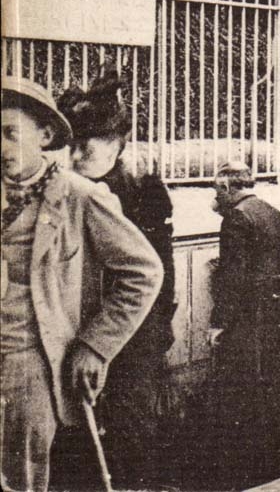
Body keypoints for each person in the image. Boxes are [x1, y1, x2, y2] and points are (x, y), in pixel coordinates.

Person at [1, 76, 163, 492]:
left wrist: (95, 346)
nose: (0, 148)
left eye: (9, 133)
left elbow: (144, 272)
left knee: (23, 479)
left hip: (28, 365)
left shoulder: (79, 196)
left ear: (45, 135)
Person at [53, 73, 177, 488]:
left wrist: (131, 341)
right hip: (74, 334)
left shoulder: (141, 192)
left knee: (128, 436)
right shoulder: (65, 191)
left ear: (115, 143)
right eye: (70, 146)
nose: (75, 157)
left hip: (131, 337)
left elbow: (156, 274)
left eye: (87, 146)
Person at [201, 162, 280, 488]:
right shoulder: (272, 212)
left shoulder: (236, 218)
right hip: (277, 311)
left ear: (226, 187)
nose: (214, 196)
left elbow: (233, 277)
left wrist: (219, 323)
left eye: (216, 189)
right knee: (274, 384)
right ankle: (276, 461)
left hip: (250, 314)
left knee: (244, 387)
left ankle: (244, 466)